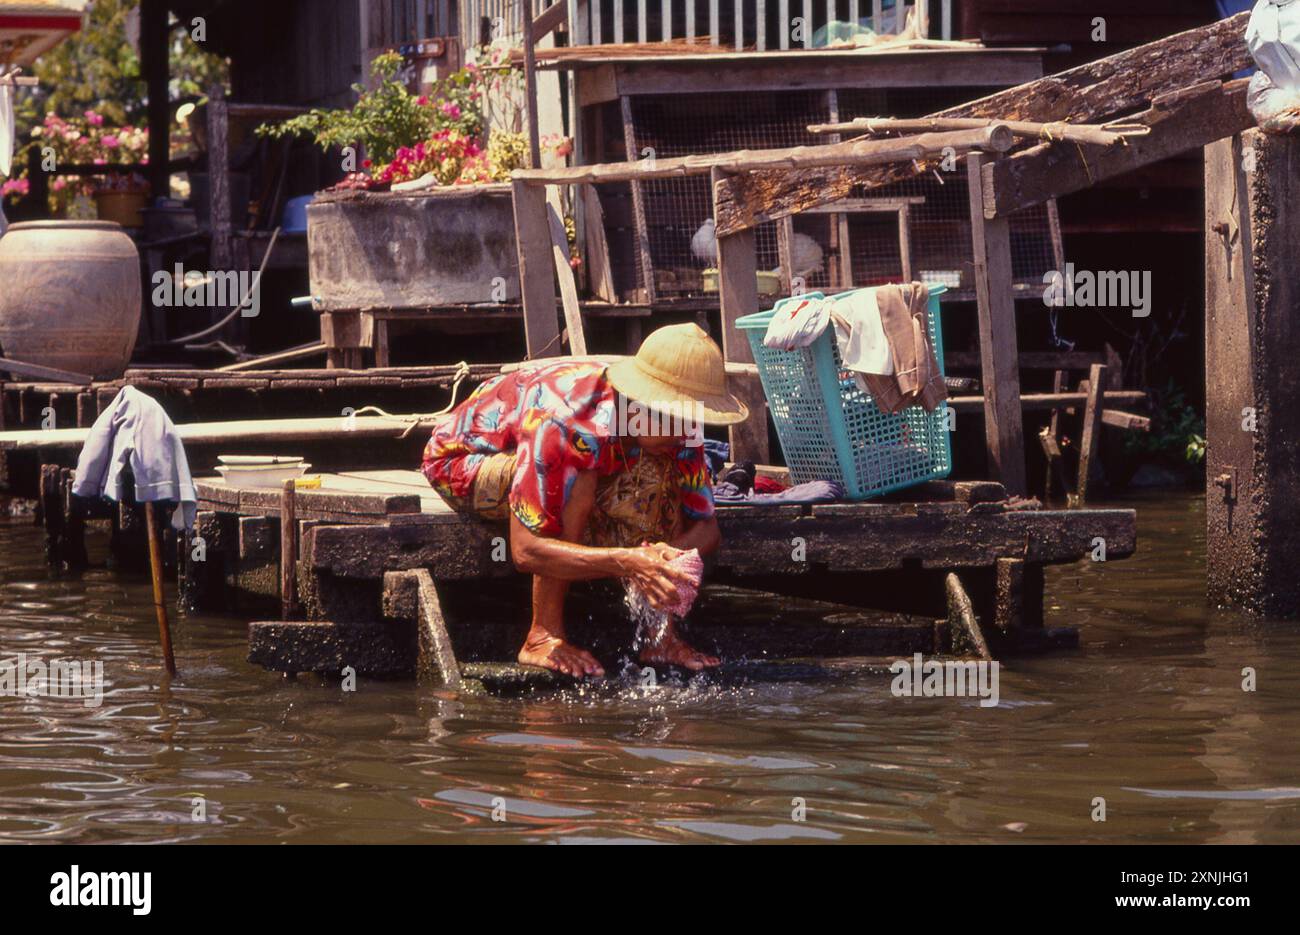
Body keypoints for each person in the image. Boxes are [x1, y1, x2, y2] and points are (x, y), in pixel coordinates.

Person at [421, 323, 748, 678]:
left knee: (660, 473)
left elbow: (707, 528)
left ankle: (660, 640)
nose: (687, 429)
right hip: (464, 462)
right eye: (679, 417)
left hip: (569, 455)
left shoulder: (677, 428)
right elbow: (525, 550)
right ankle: (543, 634)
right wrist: (626, 561)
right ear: (643, 403)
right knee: (581, 477)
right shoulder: (568, 423)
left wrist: (662, 560)